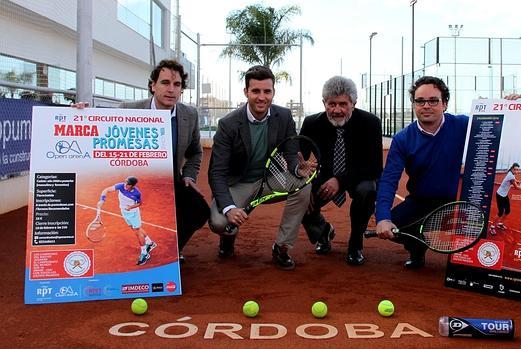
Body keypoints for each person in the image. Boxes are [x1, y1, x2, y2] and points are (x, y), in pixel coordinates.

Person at [375, 76, 521, 268]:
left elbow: (497, 127)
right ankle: (417, 246)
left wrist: (511, 109)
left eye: (433, 100)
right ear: (414, 105)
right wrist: (383, 218)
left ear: (444, 104)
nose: (426, 105)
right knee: (394, 225)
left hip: (460, 200)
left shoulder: (463, 125)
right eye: (420, 101)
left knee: (483, 234)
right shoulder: (402, 139)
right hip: (422, 200)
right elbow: (388, 180)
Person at [208, 65, 312, 270]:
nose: (262, 97)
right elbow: (216, 172)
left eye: (267, 91)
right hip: (238, 182)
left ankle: (282, 247)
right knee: (220, 223)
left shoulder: (283, 116)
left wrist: (298, 170)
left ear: (273, 92)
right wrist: (229, 208)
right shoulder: (228, 124)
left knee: (303, 184)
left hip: (269, 180)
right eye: (256, 91)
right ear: (246, 92)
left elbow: (291, 154)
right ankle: (228, 237)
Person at [119, 59, 210, 263]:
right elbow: (96, 128)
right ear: (153, 85)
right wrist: (80, 112)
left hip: (172, 182)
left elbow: (195, 152)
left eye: (177, 85)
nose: (171, 89)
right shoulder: (128, 109)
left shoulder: (189, 115)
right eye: (165, 82)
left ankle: (172, 250)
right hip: (138, 182)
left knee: (199, 211)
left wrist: (188, 175)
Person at [300, 76, 382, 265]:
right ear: (324, 103)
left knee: (367, 190)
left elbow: (374, 166)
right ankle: (323, 232)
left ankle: (355, 243)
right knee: (301, 199)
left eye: (343, 104)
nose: (337, 110)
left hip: (359, 175)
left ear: (354, 103)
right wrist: (304, 185)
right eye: (332, 104)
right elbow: (300, 158)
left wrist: (340, 180)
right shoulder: (312, 123)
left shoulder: (371, 123)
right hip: (325, 175)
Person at [97, 176, 155, 265]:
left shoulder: (136, 193)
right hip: (124, 211)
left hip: (133, 213)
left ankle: (144, 253)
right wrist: (102, 200)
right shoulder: (121, 186)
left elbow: (140, 203)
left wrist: (131, 207)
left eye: (127, 184)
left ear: (132, 186)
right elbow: (106, 190)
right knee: (134, 228)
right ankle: (150, 243)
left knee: (137, 231)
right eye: (125, 182)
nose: (125, 185)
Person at [490, 163, 521, 235]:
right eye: (515, 169)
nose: (516, 171)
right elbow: (517, 188)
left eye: (517, 170)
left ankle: (500, 223)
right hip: (500, 195)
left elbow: (513, 180)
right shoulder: (511, 176)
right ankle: (492, 227)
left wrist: (518, 181)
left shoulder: (511, 174)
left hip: (504, 195)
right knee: (500, 212)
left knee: (507, 211)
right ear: (512, 169)